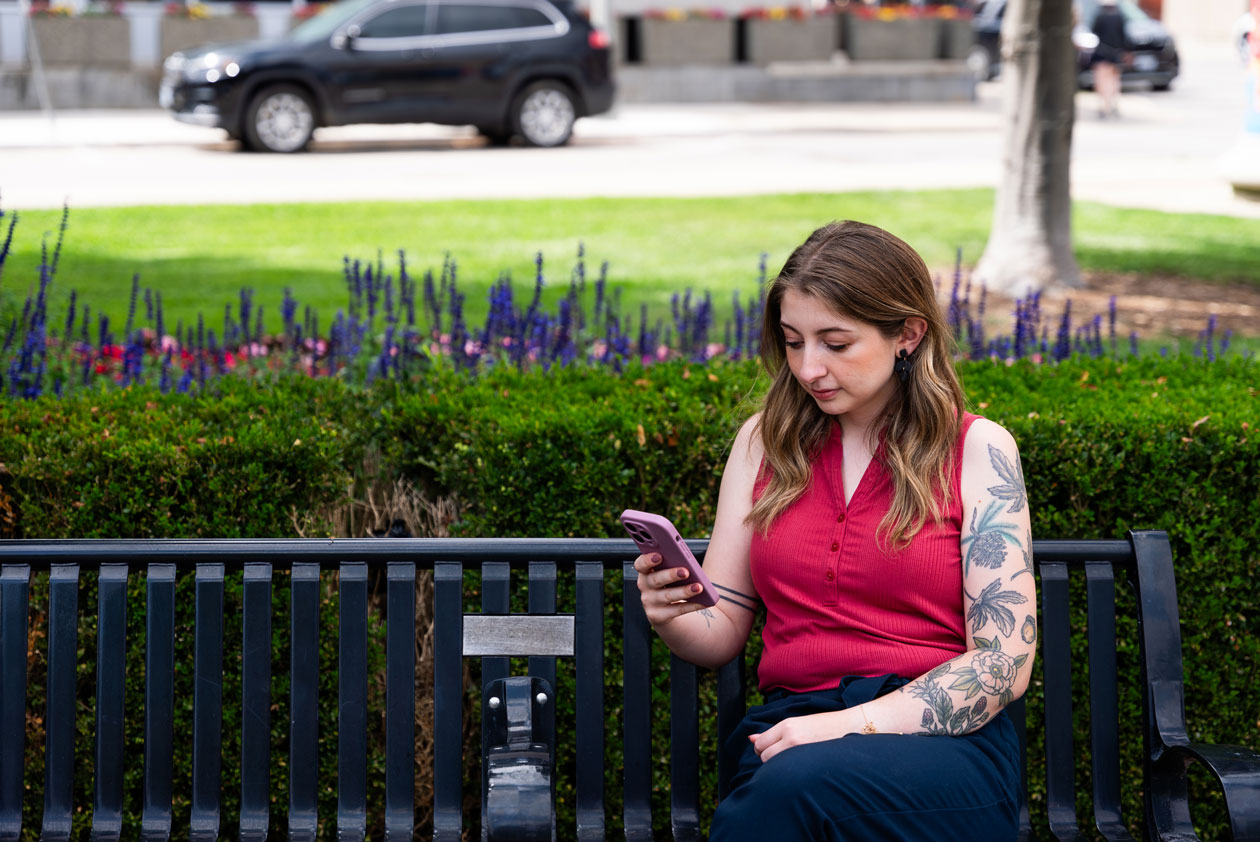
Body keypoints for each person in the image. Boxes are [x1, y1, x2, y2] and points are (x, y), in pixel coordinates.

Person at [634, 221, 1037, 842]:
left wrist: (847, 726)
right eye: (793, 342)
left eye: (836, 343)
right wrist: (672, 612)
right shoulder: (764, 443)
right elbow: (720, 630)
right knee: (788, 785)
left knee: (791, 792)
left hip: (940, 742)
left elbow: (1003, 664)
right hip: (791, 730)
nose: (808, 367)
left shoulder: (977, 449)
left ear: (908, 335)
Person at [1092, 0, 1128, 118]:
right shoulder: (1119, 17)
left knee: (1102, 79)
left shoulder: (1100, 16)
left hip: (1102, 53)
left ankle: (1103, 105)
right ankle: (1113, 103)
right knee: (1114, 79)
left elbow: (1094, 32)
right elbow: (1123, 37)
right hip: (1116, 53)